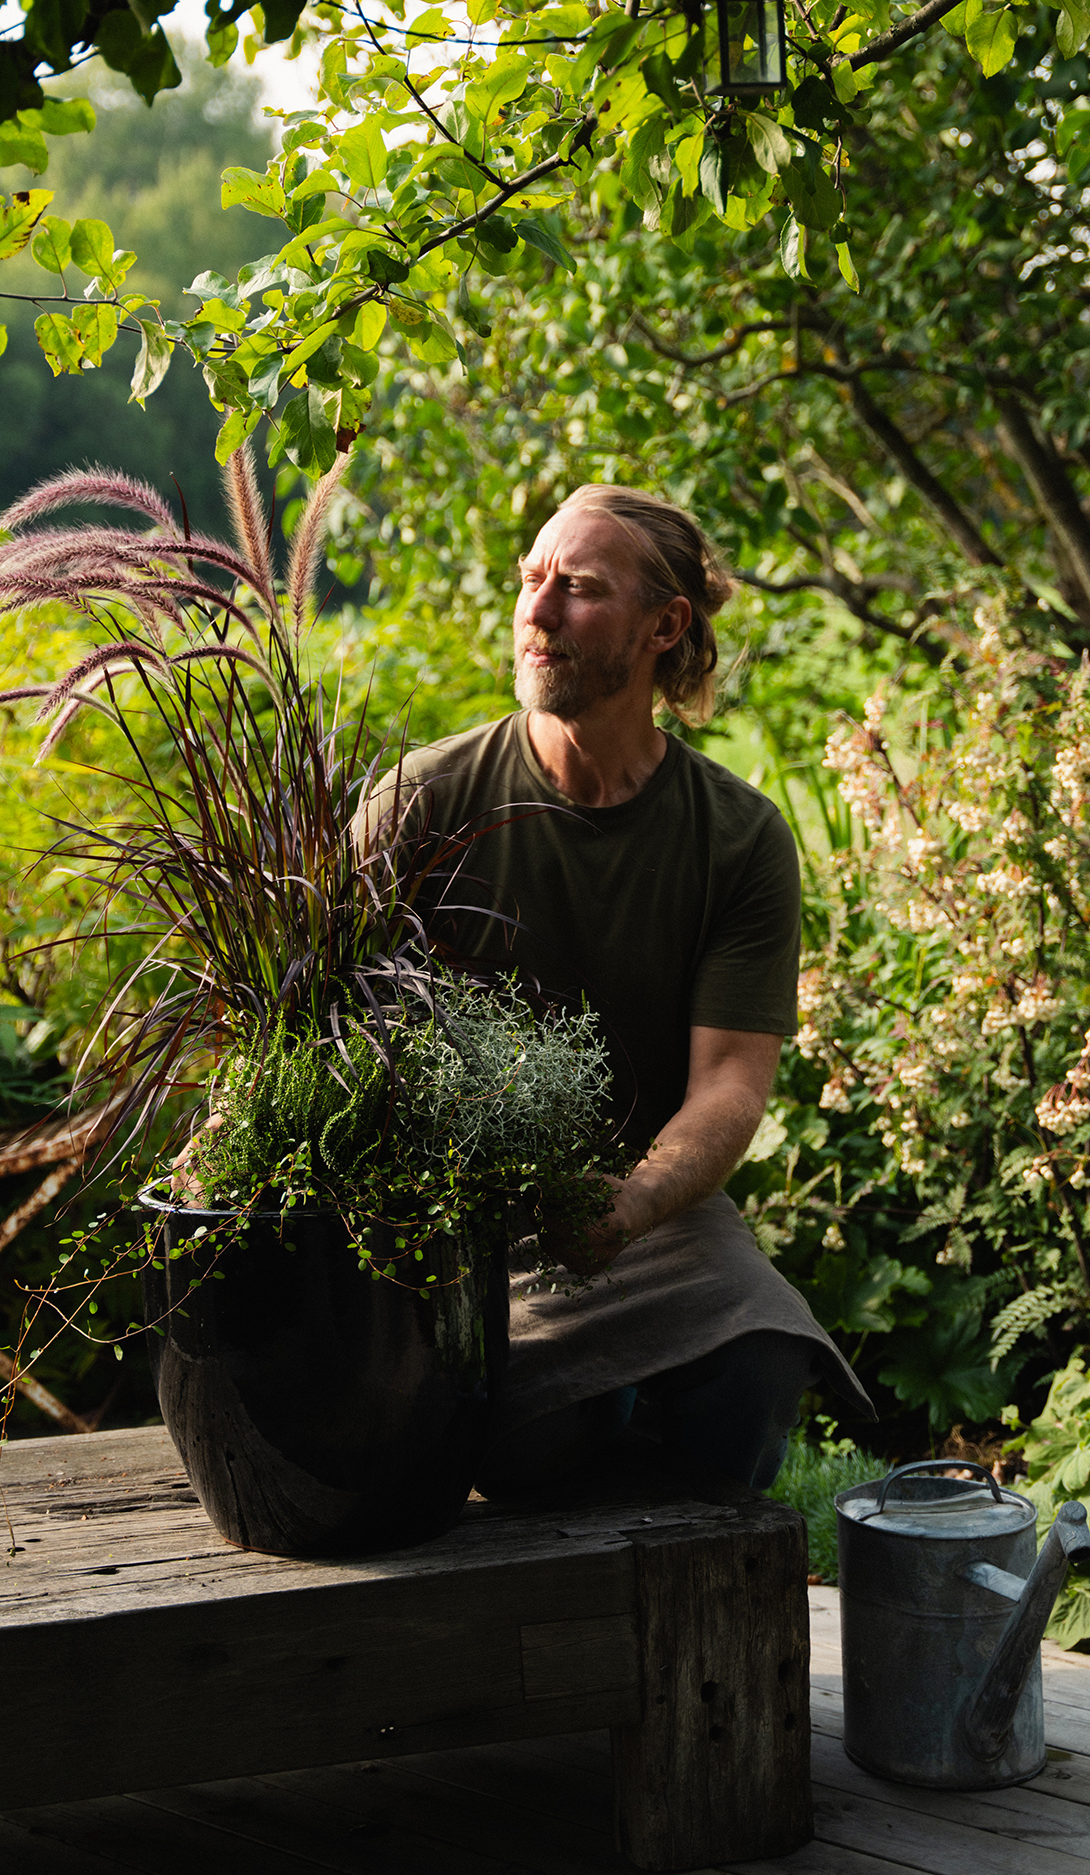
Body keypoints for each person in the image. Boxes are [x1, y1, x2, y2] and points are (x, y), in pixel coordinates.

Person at [372, 483, 872, 1496]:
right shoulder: (426, 801)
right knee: (533, 1453)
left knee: (759, 1372)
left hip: (645, 1214)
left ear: (664, 627)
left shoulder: (737, 838)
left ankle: (686, 1604)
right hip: (458, 1220)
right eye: (532, 580)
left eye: (581, 588)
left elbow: (731, 1080)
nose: (539, 611)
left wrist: (633, 1201)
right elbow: (308, 1019)